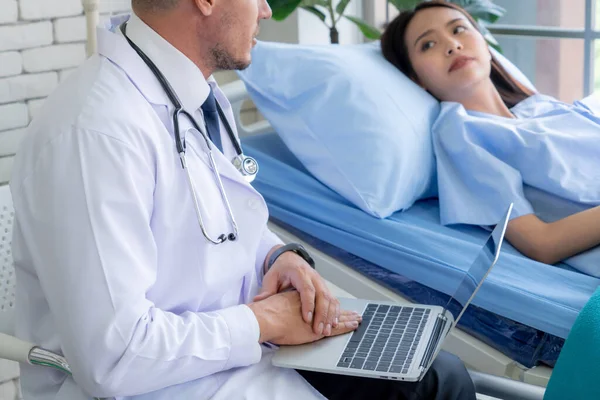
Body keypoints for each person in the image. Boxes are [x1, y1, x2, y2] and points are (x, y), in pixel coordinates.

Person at [9, 0, 475, 399]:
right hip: (160, 382)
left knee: (437, 376)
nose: (268, 10)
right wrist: (262, 323)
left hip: (233, 350)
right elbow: (114, 355)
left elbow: (216, 216)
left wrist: (277, 255)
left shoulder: (191, 91)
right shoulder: (94, 134)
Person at [381, 1, 600, 276]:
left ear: (485, 44)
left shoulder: (541, 107)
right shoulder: (462, 135)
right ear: (416, 78)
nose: (452, 45)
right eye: (428, 45)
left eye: (459, 30)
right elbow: (541, 243)